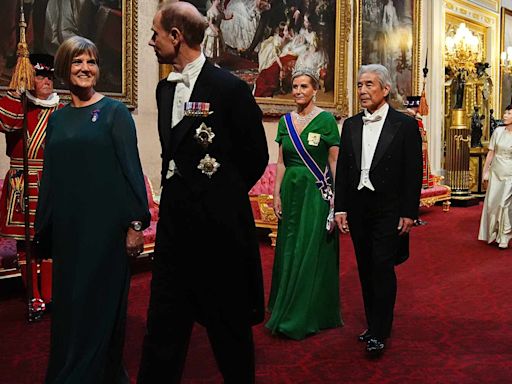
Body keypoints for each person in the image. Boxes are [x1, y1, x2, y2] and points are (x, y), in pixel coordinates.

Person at [138, 2, 268, 383]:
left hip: (219, 230)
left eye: (156, 34)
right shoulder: (165, 90)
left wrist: (219, 196)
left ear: (176, 37)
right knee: (163, 323)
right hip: (175, 228)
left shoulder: (229, 88)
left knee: (228, 327)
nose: (151, 42)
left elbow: (255, 155)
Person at [35, 36, 150, 383]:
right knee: (69, 308)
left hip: (105, 231)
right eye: (77, 62)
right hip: (69, 231)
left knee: (98, 307)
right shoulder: (57, 119)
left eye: (92, 62)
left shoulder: (115, 113)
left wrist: (135, 224)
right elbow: (50, 178)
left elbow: (132, 169)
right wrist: (46, 229)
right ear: (63, 70)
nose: (86, 69)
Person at [334, 64, 422, 356]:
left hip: (389, 208)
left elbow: (413, 172)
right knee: (365, 267)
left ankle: (380, 331)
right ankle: (373, 324)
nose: (362, 90)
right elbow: (344, 171)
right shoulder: (351, 125)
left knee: (382, 266)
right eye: (359, 85)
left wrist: (409, 212)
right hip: (358, 208)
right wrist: (341, 208)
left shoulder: (405, 125)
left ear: (385, 89)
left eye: (369, 84)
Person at [266, 67, 342, 340]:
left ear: (315, 89)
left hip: (316, 193)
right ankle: (283, 303)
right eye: (295, 86)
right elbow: (282, 161)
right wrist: (276, 194)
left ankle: (305, 312)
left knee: (310, 248)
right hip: (291, 192)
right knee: (289, 248)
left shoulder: (326, 121)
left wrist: (337, 199)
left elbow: (334, 162)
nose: (298, 91)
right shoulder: (285, 122)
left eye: (304, 87)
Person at [0, 53, 62, 321]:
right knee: (25, 243)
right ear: (30, 78)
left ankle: (49, 295)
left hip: (51, 181)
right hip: (23, 182)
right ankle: (32, 295)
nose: (46, 81)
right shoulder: (19, 106)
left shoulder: (62, 110)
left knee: (51, 240)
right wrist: (17, 91)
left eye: (49, 76)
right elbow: (6, 123)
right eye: (40, 75)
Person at [478, 104, 512, 249]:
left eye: (509, 113)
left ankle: (505, 235)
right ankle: (495, 233)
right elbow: (491, 153)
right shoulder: (498, 131)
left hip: (509, 173)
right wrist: (485, 173)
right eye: (505, 113)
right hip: (496, 172)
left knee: (504, 204)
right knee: (493, 204)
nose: (505, 115)